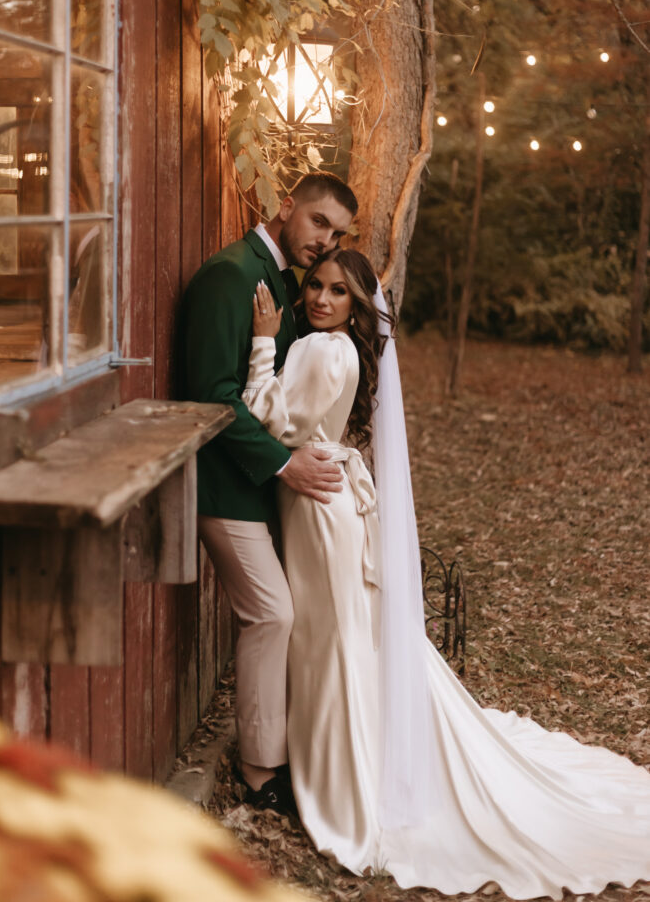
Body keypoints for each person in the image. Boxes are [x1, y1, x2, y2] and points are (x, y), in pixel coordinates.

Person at [242, 248, 650, 901]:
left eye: (337, 293)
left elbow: (267, 417)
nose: (320, 299)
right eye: (314, 286)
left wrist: (263, 345)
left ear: (356, 307)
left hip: (318, 508)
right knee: (339, 638)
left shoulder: (321, 350)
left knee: (331, 645)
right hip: (329, 501)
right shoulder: (336, 347)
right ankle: (338, 763)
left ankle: (345, 784)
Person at [182, 172, 357, 814]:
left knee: (291, 615)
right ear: (287, 206)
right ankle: (262, 775)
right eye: (317, 222)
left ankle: (288, 751)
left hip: (264, 490)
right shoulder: (234, 274)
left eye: (336, 233)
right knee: (273, 614)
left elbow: (278, 390)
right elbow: (213, 394)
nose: (324, 240)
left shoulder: (284, 279)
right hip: (226, 487)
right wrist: (285, 466)